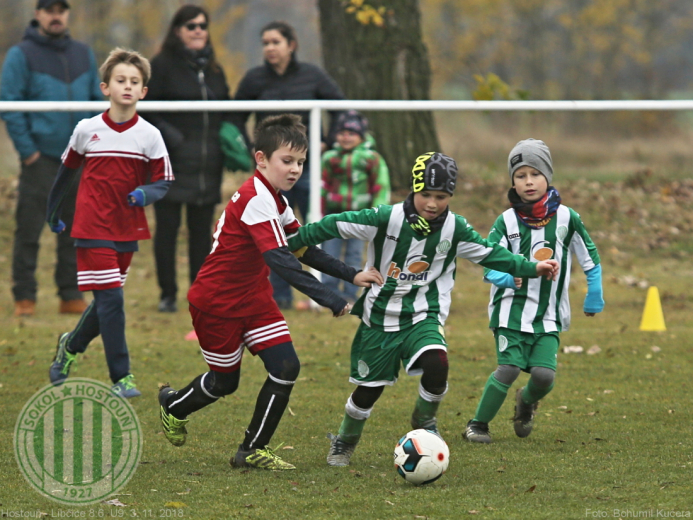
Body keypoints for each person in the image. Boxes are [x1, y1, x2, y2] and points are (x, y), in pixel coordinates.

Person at [286, 151, 560, 466]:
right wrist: (294, 240)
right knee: (367, 392)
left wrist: (529, 267)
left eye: (441, 197)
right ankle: (345, 442)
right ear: (414, 190)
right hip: (379, 319)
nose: (432, 203)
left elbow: (491, 254)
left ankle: (424, 418)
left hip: (423, 315)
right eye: (425, 195)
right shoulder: (384, 218)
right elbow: (336, 223)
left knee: (437, 362)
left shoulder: (455, 229)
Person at [157, 114, 383, 470]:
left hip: (254, 299)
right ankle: (173, 405)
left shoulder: (276, 199)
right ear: (261, 159)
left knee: (286, 366)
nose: (295, 169)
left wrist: (351, 274)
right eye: (287, 161)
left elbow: (302, 247)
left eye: (301, 162)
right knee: (223, 383)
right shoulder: (255, 198)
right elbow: (281, 261)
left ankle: (251, 450)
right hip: (216, 303)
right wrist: (331, 299)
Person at [46, 48, 173, 398]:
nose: (128, 86)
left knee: (106, 302)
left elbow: (164, 181)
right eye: (121, 80)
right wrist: (52, 211)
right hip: (91, 227)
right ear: (106, 87)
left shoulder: (149, 135)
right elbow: (66, 172)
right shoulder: (87, 129)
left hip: (127, 229)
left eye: (135, 82)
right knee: (112, 302)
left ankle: (69, 347)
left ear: (143, 91)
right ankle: (122, 377)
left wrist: (144, 194)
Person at [463, 139, 604, 444]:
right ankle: (478, 425)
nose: (528, 181)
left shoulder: (567, 218)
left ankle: (525, 403)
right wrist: (504, 277)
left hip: (549, 314)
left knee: (544, 376)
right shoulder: (507, 221)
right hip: (510, 311)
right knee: (509, 367)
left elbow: (590, 258)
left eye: (535, 174)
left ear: (548, 176)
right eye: (520, 175)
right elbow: (488, 261)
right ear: (512, 181)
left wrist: (595, 291)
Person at [233, 20, 345, 310]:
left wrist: (328, 142)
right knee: (275, 234)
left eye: (275, 42)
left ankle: (322, 292)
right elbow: (233, 116)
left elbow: (341, 107)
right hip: (272, 174)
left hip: (309, 169)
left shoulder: (312, 75)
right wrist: (252, 151)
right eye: (265, 43)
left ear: (290, 45)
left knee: (311, 229)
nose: (270, 48)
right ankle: (279, 297)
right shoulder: (254, 78)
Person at [0, 0, 102, 317]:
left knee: (75, 231)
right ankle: (25, 295)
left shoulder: (83, 54)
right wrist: (28, 152)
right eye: (49, 9)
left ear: (67, 14)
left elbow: (98, 102)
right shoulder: (20, 55)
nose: (55, 15)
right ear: (38, 14)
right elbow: (9, 103)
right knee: (29, 229)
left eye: (61, 9)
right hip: (40, 159)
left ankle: (70, 294)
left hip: (79, 159)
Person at [145, 5, 234, 313]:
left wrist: (234, 143)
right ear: (177, 30)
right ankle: (167, 293)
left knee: (201, 234)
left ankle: (200, 291)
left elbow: (227, 111)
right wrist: (173, 139)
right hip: (171, 162)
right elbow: (147, 110)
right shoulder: (162, 65)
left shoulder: (215, 69)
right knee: (167, 231)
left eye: (202, 25)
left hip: (208, 164)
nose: (198, 30)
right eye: (191, 25)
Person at [319, 110, 390, 304]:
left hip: (360, 217)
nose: (346, 137)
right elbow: (322, 185)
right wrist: (319, 209)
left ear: (361, 136)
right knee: (328, 253)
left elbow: (380, 186)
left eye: (351, 133)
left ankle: (350, 294)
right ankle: (329, 294)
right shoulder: (329, 158)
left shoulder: (372, 158)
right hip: (333, 216)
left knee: (354, 254)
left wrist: (376, 213)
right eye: (342, 133)